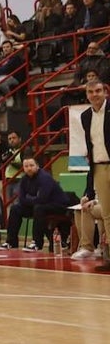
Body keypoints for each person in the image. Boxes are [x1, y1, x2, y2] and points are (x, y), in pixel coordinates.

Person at [2, 157, 73, 251]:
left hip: (58, 205)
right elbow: (21, 199)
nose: (29, 168)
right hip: (38, 206)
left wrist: (29, 199)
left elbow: (43, 199)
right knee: (15, 208)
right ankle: (11, 242)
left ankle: (37, 243)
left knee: (39, 208)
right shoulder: (24, 179)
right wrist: (33, 199)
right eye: (26, 166)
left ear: (37, 166)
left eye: (31, 165)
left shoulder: (45, 178)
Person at [76, 79, 110, 272]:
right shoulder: (85, 116)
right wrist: (89, 190)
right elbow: (91, 148)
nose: (95, 94)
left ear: (105, 91)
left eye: (98, 90)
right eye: (91, 92)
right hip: (98, 167)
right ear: (87, 94)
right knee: (107, 214)